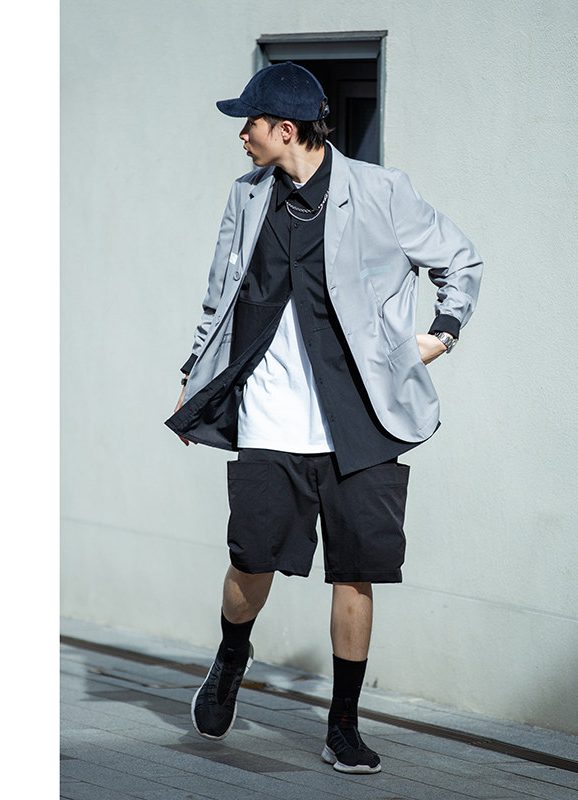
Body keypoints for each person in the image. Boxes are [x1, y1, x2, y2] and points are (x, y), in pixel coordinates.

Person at [165, 61, 483, 774]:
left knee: (356, 572)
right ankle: (231, 656)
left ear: (285, 129)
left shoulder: (380, 191)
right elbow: (219, 298)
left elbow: (460, 262)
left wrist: (441, 334)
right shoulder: (246, 195)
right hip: (270, 414)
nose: (241, 135)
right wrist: (194, 378)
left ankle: (342, 725)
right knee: (251, 561)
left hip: (361, 417)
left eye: (249, 122)